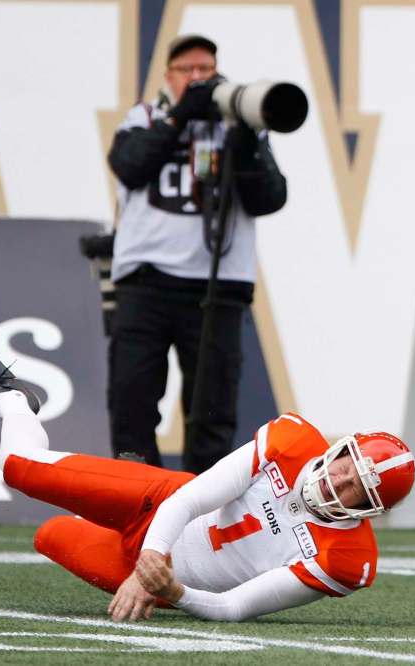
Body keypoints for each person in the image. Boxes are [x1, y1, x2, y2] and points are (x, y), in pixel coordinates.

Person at [0, 349, 415, 622]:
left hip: (165, 579)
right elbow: (192, 497)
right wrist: (152, 559)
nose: (339, 482)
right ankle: (13, 399)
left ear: (370, 511)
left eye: (357, 489)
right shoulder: (293, 440)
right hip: (158, 503)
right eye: (347, 466)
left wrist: (171, 591)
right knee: (18, 467)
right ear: (341, 448)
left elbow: (233, 607)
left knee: (50, 535)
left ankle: (103, 495)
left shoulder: (346, 560)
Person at [107, 34, 287, 473]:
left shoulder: (239, 123)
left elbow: (270, 198)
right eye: (187, 70)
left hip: (218, 286)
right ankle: (138, 497)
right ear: (167, 76)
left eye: (206, 69)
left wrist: (245, 144)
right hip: (146, 281)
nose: (198, 78)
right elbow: (130, 166)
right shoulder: (144, 117)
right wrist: (180, 117)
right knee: (132, 400)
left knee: (212, 411)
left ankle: (201, 505)